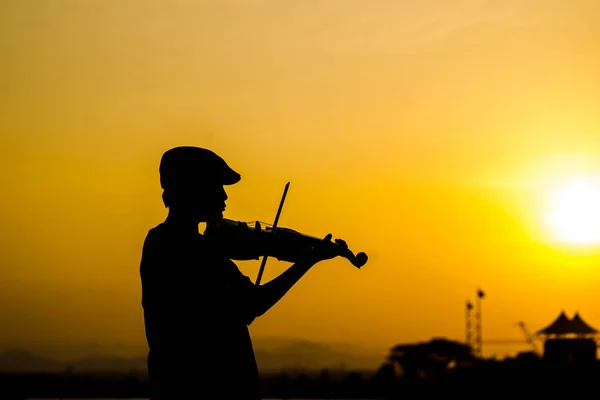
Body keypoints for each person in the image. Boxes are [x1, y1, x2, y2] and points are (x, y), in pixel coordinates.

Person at [140, 146, 348, 399]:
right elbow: (254, 304)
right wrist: (307, 261)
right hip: (209, 391)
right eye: (216, 186)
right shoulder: (189, 248)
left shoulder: (170, 242)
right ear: (193, 187)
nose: (224, 196)